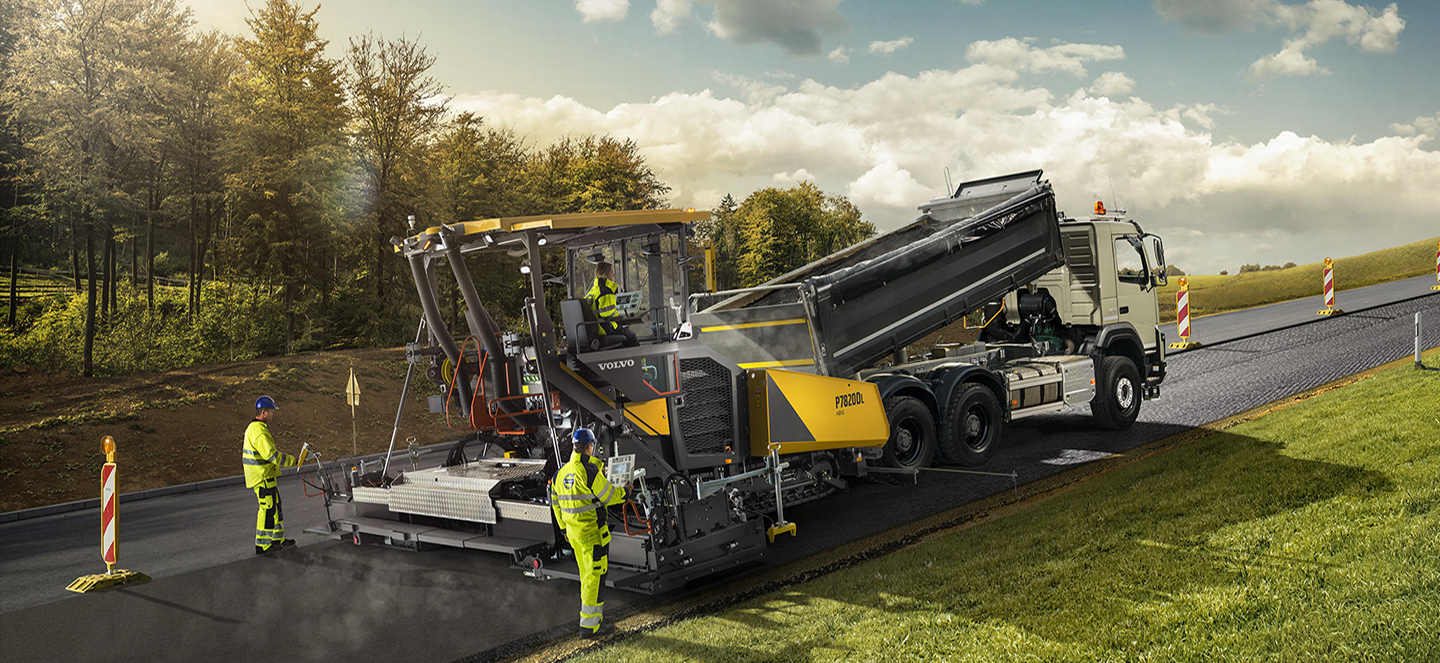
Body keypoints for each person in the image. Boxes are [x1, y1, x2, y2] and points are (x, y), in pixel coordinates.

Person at [549, 428, 626, 638]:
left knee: (587, 577)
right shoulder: (589, 471)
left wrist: (563, 528)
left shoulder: (560, 473)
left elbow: (555, 503)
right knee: (595, 578)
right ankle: (589, 627)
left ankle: (595, 619)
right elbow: (609, 496)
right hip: (593, 535)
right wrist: (626, 492)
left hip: (575, 535)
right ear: (590, 446)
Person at [242, 395, 306, 554]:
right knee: (267, 510)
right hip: (262, 477)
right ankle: (263, 545)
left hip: (266, 477)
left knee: (276, 508)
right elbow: (271, 455)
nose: (273, 414)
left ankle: (277, 539)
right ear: (263, 412)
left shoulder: (256, 428)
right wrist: (293, 461)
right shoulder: (259, 432)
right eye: (271, 411)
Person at [585, 262, 639, 347]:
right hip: (604, 329)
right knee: (631, 337)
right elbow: (609, 318)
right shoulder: (605, 291)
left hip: (595, 329)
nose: (613, 275)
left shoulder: (592, 291)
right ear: (605, 275)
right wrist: (620, 322)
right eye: (611, 272)